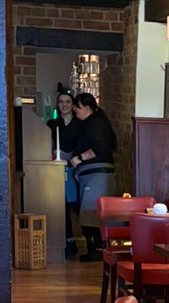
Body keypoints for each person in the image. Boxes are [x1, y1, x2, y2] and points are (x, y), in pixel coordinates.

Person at [68, 93, 117, 262]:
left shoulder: (94, 123)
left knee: (90, 212)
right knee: (89, 212)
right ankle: (97, 249)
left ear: (87, 108)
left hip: (96, 174)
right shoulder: (92, 122)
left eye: (78, 107)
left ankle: (97, 250)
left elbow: (100, 148)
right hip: (93, 174)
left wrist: (79, 158)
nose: (75, 110)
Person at [47, 91, 82, 256]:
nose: (64, 105)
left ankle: (84, 240)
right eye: (61, 102)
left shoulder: (80, 124)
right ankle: (67, 240)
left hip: (76, 168)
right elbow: (46, 143)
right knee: (61, 204)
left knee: (76, 204)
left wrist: (74, 156)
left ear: (72, 105)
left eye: (67, 101)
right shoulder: (52, 123)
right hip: (57, 168)